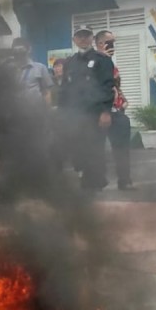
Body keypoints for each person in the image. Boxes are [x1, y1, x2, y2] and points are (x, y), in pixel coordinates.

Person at [59, 27, 115, 192]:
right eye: (79, 36)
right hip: (74, 114)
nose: (83, 39)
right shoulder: (70, 62)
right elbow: (64, 89)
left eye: (86, 36)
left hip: (94, 113)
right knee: (77, 149)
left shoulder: (102, 59)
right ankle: (90, 179)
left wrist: (105, 111)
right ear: (74, 39)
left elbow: (107, 86)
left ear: (92, 38)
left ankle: (94, 185)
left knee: (95, 148)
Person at [95, 30, 136, 191]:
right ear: (99, 43)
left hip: (117, 111)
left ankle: (124, 180)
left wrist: (123, 100)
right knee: (97, 149)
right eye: (109, 42)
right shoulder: (94, 62)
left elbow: (115, 86)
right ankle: (97, 181)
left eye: (113, 42)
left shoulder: (111, 64)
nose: (112, 45)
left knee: (122, 148)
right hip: (99, 113)